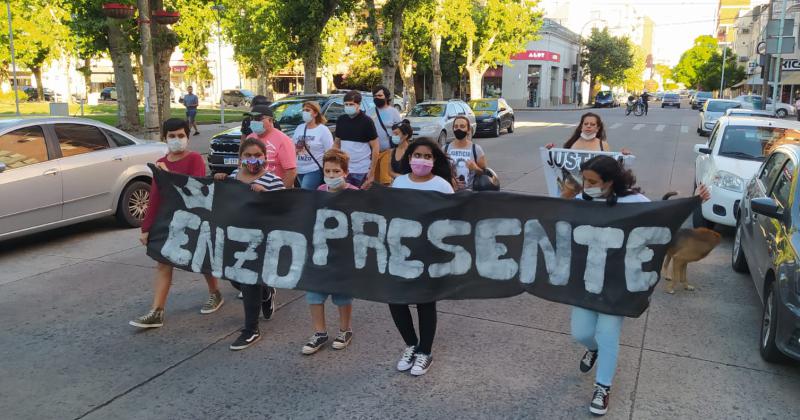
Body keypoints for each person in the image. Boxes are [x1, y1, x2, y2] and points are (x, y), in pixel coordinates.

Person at [565, 155, 710, 416]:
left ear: (610, 181)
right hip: (586, 280)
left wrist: (694, 202)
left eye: (592, 181)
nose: (586, 185)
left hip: (619, 283)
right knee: (580, 332)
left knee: (608, 333)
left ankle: (602, 387)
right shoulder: (581, 201)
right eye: (584, 180)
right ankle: (593, 348)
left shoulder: (635, 202)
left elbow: (663, 222)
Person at [130, 118, 222, 328]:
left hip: (193, 219)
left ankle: (214, 292)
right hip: (169, 222)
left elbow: (195, 190)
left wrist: (169, 175)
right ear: (165, 138)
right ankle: (157, 310)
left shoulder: (195, 159)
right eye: (172, 136)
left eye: (181, 135)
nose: (176, 140)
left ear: (187, 137)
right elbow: (155, 197)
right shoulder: (161, 162)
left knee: (202, 259)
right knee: (163, 262)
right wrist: (146, 228)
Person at [210, 138, 284, 350]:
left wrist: (266, 195)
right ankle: (265, 292)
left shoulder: (273, 180)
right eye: (248, 155)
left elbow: (285, 210)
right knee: (232, 277)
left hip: (260, 240)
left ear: (265, 158)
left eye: (257, 155)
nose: (253, 160)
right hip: (234, 236)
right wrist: (220, 181)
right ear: (240, 158)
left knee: (249, 279)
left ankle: (251, 329)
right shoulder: (233, 177)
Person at [389, 138, 454, 376]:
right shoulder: (400, 182)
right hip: (401, 252)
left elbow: (452, 220)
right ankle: (412, 345)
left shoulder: (442, 186)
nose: (422, 160)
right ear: (409, 158)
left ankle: (425, 351)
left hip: (430, 254)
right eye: (418, 155)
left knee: (425, 302)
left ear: (434, 160)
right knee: (395, 299)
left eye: (427, 156)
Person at [301, 149, 358, 355]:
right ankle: (319, 332)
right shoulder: (319, 191)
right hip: (320, 252)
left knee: (342, 295)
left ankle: (345, 329)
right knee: (314, 292)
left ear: (345, 172)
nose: (332, 175)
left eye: (336, 171)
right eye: (328, 171)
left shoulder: (355, 194)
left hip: (343, 255)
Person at [334, 90, 379, 188]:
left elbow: (375, 147)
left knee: (360, 200)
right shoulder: (341, 120)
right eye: (346, 104)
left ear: (358, 105)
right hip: (344, 169)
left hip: (362, 170)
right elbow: (337, 144)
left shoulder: (367, 121)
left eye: (351, 104)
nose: (348, 106)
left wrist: (371, 172)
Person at [245, 105, 297, 188]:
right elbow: (244, 165)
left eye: (258, 118)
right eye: (252, 118)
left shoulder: (283, 140)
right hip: (252, 192)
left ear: (270, 120)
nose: (254, 121)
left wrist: (280, 193)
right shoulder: (250, 138)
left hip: (274, 192)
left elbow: (291, 172)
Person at [293, 101, 333, 190]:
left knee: (305, 194)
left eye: (307, 110)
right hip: (299, 169)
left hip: (314, 169)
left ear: (315, 113)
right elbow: (293, 148)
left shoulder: (323, 130)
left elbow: (329, 152)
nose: (304, 112)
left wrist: (327, 170)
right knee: (308, 196)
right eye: (303, 110)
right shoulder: (299, 128)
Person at [444, 115, 487, 191]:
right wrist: (450, 178)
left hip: (469, 195)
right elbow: (438, 171)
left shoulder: (476, 149)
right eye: (456, 126)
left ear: (468, 129)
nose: (458, 129)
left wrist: (475, 168)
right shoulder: (445, 149)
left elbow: (484, 173)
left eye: (462, 126)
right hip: (449, 193)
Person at [369, 85, 403, 152]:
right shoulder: (368, 112)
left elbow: (400, 131)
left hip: (388, 152)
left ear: (386, 97)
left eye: (380, 95)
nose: (377, 98)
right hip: (371, 152)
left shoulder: (394, 112)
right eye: (375, 96)